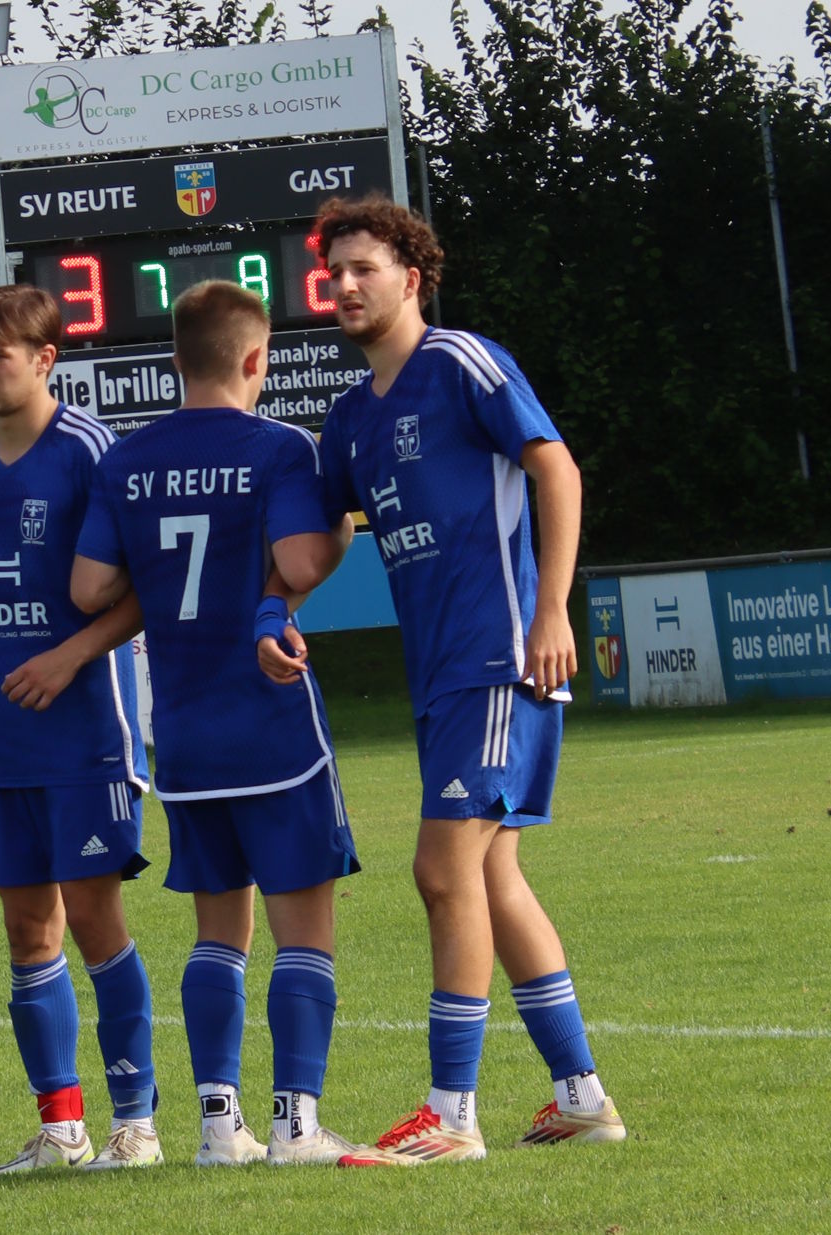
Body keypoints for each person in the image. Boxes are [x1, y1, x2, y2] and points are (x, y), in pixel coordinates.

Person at [262, 194, 625, 1164]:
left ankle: (452, 1113)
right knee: (492, 875)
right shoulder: (349, 418)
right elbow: (322, 535)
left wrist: (552, 609)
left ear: (411, 278)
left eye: (364, 269)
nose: (344, 286)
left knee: (442, 870)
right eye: (333, 273)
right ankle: (582, 1096)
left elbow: (555, 470)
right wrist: (274, 606)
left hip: (498, 654)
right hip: (440, 674)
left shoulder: (461, 362)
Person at [72, 280, 361, 1166]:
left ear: (174, 360)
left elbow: (89, 587)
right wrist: (343, 528)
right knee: (302, 928)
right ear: (256, 359)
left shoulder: (125, 458)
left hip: (186, 732)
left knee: (217, 932)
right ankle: (296, 1125)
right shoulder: (279, 446)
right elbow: (301, 560)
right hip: (271, 724)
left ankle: (215, 1126)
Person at [0, 285, 160, 1175]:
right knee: (24, 930)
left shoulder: (90, 449)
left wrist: (68, 656)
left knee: (93, 918)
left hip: (85, 732)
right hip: (1, 739)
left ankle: (137, 1120)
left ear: (46, 359)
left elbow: (141, 589)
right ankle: (61, 1128)